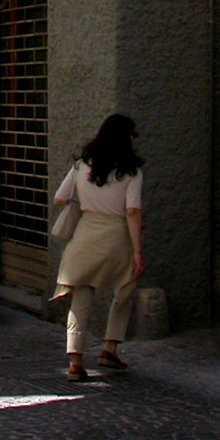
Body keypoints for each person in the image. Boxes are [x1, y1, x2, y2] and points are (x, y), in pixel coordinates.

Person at [52, 112, 145, 382]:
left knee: (81, 297)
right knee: (125, 287)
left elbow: (60, 198)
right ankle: (110, 346)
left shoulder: (82, 165)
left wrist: (85, 202)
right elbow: (133, 211)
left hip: (85, 235)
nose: (133, 138)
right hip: (117, 237)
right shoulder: (131, 172)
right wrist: (138, 252)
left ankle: (75, 362)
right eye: (132, 134)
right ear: (125, 138)